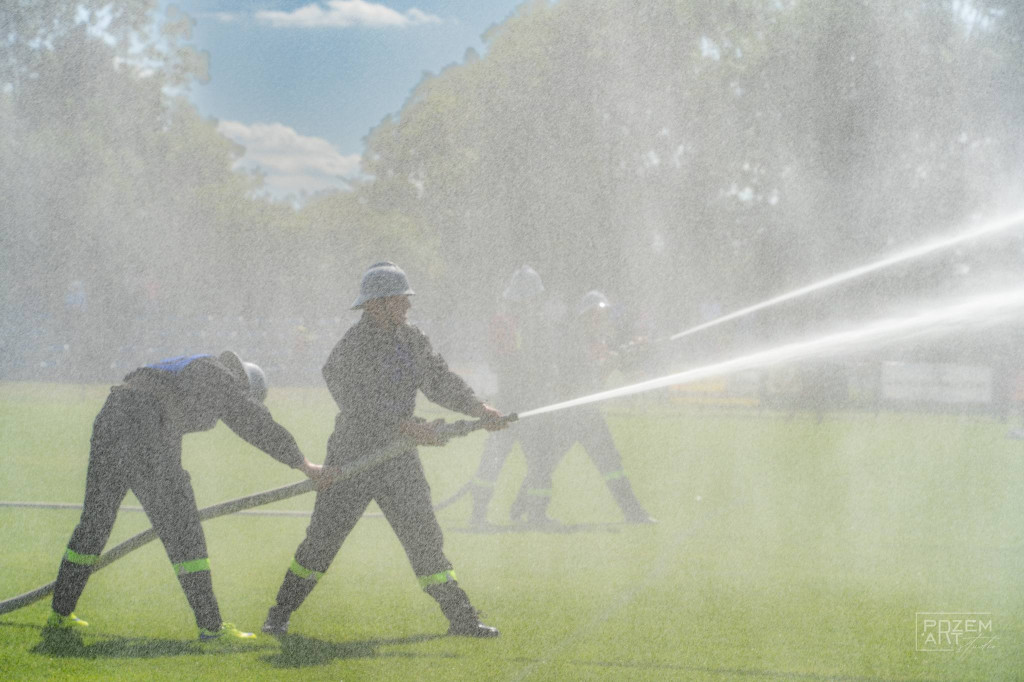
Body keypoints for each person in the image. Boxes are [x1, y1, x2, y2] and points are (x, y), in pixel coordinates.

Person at [262, 262, 509, 639]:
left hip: (398, 460)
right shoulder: (350, 349)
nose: (408, 307)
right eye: (400, 300)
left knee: (424, 538)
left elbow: (440, 380)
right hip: (352, 458)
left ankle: (461, 619)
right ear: (376, 304)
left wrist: (479, 409)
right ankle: (278, 615)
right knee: (322, 541)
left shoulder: (413, 340)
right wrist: (405, 425)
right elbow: (353, 401)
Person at [45, 351, 323, 645]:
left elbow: (155, 406)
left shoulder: (186, 368)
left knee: (94, 524)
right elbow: (253, 421)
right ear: (243, 384)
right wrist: (301, 463)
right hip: (144, 423)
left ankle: (59, 614)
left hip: (112, 419)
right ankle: (212, 629)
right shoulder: (219, 376)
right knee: (183, 530)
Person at [509, 290, 654, 525]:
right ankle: (520, 509)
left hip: (589, 415)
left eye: (603, 314)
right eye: (596, 314)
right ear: (584, 317)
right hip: (569, 416)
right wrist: (608, 364)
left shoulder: (599, 340)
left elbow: (601, 375)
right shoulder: (571, 342)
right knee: (546, 464)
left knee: (611, 464)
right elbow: (577, 378)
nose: (601, 319)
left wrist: (624, 357)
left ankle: (634, 513)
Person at [468, 265, 562, 527]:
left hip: (529, 402)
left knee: (540, 461)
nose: (535, 302)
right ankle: (479, 516)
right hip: (513, 403)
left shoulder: (534, 323)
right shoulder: (507, 322)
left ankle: (537, 515)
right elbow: (508, 360)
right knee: (494, 461)